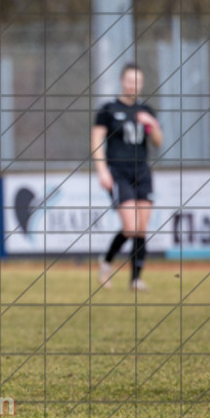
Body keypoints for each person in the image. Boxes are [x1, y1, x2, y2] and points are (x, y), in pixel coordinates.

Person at [91, 63, 163, 292]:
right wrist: (102, 170)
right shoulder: (108, 109)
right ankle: (107, 261)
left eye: (138, 82)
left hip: (142, 172)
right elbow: (97, 142)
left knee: (141, 227)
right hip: (118, 172)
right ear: (123, 81)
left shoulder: (146, 111)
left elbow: (157, 142)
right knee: (130, 226)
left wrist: (152, 124)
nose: (134, 85)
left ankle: (135, 279)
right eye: (130, 81)